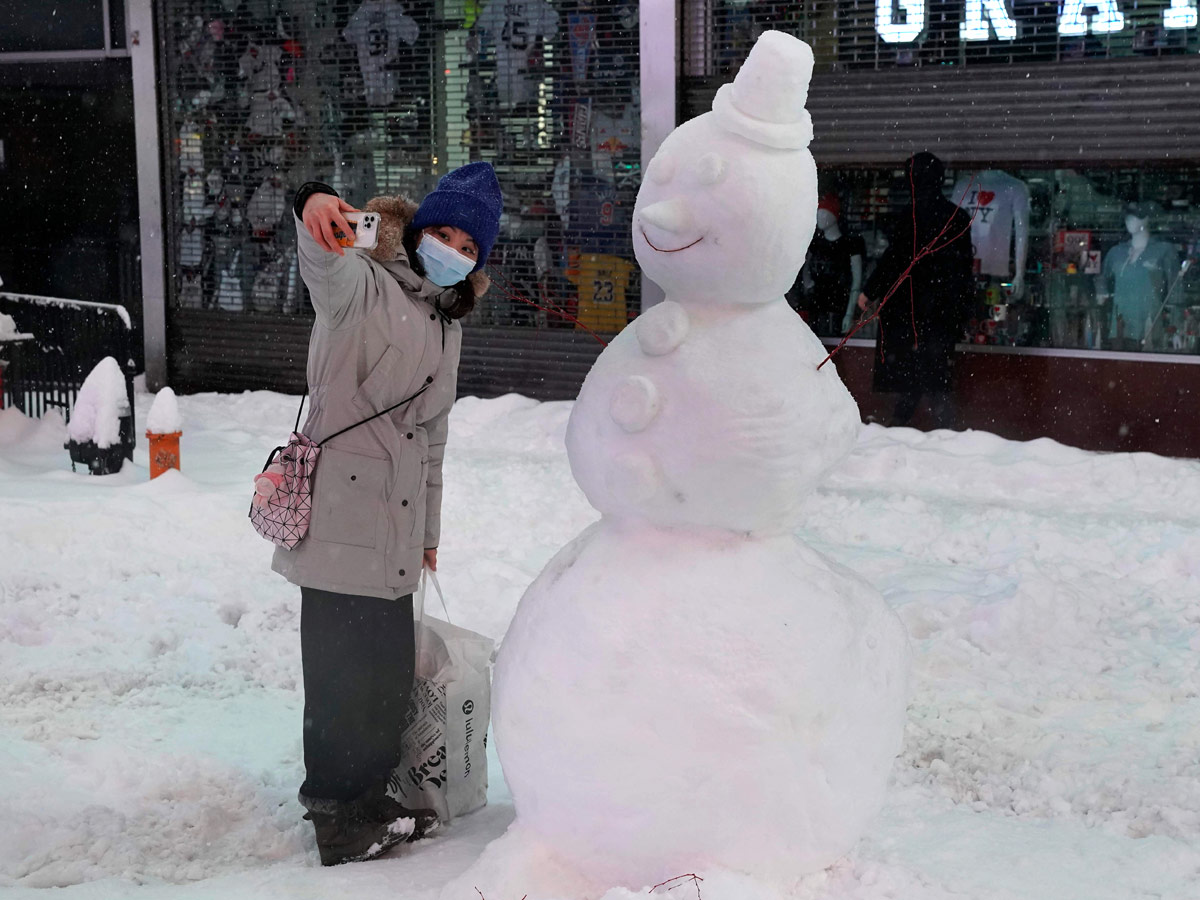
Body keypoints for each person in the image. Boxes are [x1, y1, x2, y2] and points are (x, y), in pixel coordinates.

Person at [275, 161, 502, 866]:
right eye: (443, 232)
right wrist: (310, 199)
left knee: (383, 674)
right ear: (417, 230)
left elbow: (433, 440)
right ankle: (336, 815)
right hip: (341, 509)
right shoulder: (361, 284)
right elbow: (322, 260)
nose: (452, 251)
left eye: (469, 246)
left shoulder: (446, 322)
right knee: (341, 673)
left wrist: (428, 534)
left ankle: (371, 798)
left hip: (397, 519)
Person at [856, 152, 974, 428]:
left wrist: (870, 290)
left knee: (914, 373)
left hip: (909, 310)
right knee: (932, 374)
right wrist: (964, 309)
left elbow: (894, 259)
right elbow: (964, 270)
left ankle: (903, 427)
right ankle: (938, 430)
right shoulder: (956, 217)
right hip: (941, 310)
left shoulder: (909, 217)